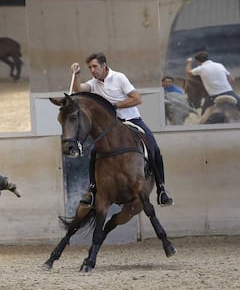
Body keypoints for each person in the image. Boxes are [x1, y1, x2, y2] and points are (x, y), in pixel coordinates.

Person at [70, 52, 174, 207]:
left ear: (104, 65)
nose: (92, 70)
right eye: (89, 67)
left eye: (94, 66)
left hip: (132, 120)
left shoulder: (119, 78)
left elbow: (137, 98)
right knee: (93, 153)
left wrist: (115, 105)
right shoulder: (93, 83)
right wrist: (76, 74)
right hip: (111, 128)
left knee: (154, 149)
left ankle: (161, 190)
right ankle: (92, 191)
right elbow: (78, 89)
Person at [185, 50, 240, 121]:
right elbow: (231, 79)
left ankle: (203, 127)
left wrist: (189, 62)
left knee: (204, 116)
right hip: (229, 92)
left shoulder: (201, 69)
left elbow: (188, 72)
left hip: (213, 96)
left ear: (198, 62)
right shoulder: (219, 65)